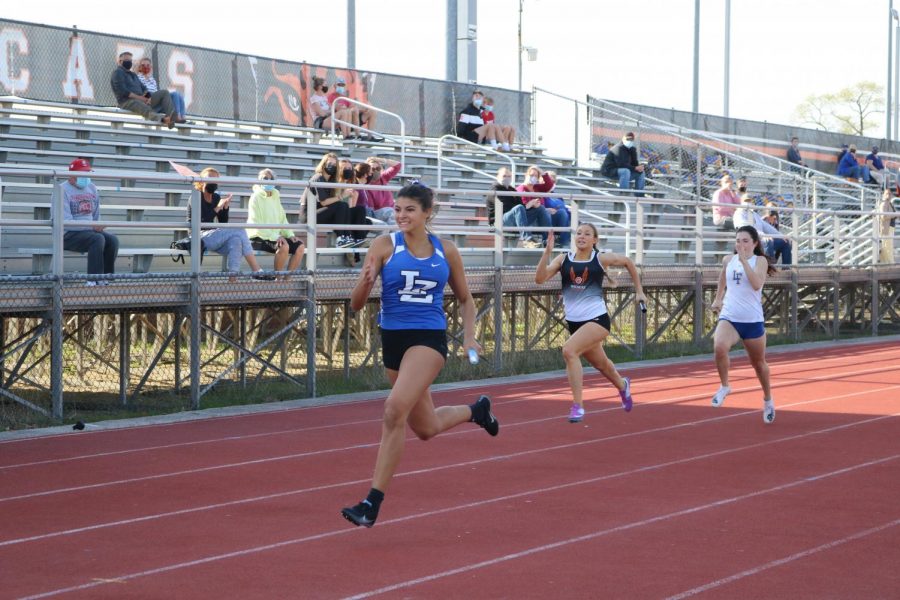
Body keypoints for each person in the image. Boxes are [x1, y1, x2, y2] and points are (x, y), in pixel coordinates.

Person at [340, 182, 499, 528]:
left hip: (428, 338)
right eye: (397, 209)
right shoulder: (383, 245)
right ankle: (477, 411)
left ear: (428, 213)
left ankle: (372, 503)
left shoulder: (446, 251)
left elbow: (466, 300)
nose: (401, 215)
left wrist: (469, 337)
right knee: (425, 427)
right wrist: (366, 282)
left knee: (393, 409)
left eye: (409, 209)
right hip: (393, 340)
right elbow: (355, 304)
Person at [534, 224, 646, 423]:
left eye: (587, 234)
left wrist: (639, 291)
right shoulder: (563, 259)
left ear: (595, 240)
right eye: (578, 233)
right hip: (575, 324)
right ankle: (622, 385)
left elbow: (628, 261)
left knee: (569, 351)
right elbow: (540, 279)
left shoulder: (600, 259)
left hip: (597, 320)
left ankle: (578, 406)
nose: (582, 236)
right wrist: (547, 253)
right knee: (603, 365)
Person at [709, 225, 778, 424]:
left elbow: (757, 284)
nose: (741, 245)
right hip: (730, 316)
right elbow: (724, 275)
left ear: (755, 243)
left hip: (752, 320)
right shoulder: (728, 260)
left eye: (745, 241)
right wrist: (718, 298)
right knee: (719, 347)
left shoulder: (761, 261)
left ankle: (768, 399)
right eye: (738, 241)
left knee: (758, 364)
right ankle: (725, 386)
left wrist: (744, 262)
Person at [191, 167, 269, 278]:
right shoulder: (196, 196)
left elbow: (223, 222)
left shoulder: (216, 197)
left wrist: (225, 207)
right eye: (210, 178)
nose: (213, 181)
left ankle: (232, 279)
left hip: (214, 237)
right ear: (202, 180)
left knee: (236, 240)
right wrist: (218, 207)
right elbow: (202, 221)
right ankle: (257, 270)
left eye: (216, 179)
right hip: (198, 238)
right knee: (240, 230)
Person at [61, 158, 119, 281]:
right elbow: (65, 223)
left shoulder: (92, 187)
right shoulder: (62, 190)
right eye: (82, 173)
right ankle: (93, 280)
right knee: (97, 238)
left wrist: (98, 225)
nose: (86, 176)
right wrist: (91, 226)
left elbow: (96, 215)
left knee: (113, 240)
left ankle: (106, 279)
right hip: (68, 235)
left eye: (87, 173)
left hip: (89, 231)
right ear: (71, 175)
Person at [247, 168, 305, 277]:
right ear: (259, 181)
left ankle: (287, 278)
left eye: (271, 178)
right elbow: (256, 224)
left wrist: (290, 235)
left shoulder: (275, 197)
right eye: (265, 178)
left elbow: (282, 219)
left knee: (300, 246)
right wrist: (276, 236)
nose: (268, 180)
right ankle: (277, 278)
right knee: (284, 246)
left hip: (274, 236)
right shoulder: (255, 197)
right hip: (258, 237)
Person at [308, 153, 363, 249]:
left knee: (359, 209)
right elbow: (323, 202)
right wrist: (342, 196)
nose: (332, 167)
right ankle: (340, 239)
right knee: (341, 205)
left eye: (334, 165)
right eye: (329, 164)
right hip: (311, 215)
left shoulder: (330, 180)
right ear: (323, 164)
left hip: (325, 212)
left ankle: (349, 237)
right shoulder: (318, 178)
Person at [110, 52, 176, 128]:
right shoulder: (117, 73)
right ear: (120, 61)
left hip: (141, 99)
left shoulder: (133, 74)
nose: (129, 62)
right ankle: (162, 120)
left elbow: (144, 88)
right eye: (126, 60)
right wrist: (142, 98)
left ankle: (170, 117)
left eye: (130, 60)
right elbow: (123, 92)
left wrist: (149, 97)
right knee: (140, 105)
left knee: (164, 93)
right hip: (126, 101)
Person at [734, 194, 792, 266]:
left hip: (761, 239)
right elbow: (746, 229)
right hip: (749, 241)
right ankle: (769, 268)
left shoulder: (754, 214)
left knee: (785, 242)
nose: (748, 202)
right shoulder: (738, 214)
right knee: (768, 241)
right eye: (746, 200)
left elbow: (767, 227)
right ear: (741, 201)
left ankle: (786, 269)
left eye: (750, 200)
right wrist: (763, 235)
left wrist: (781, 236)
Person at [135, 57, 187, 122]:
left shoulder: (152, 80)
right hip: (148, 103)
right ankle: (177, 117)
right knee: (172, 94)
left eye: (148, 65)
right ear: (140, 67)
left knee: (178, 95)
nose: (145, 67)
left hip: (157, 103)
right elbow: (139, 92)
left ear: (151, 67)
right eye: (143, 65)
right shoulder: (137, 78)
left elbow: (156, 93)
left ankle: (182, 117)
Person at [487, 166, 528, 241]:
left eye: (509, 176)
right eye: (504, 176)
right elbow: (505, 206)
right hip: (498, 221)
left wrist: (516, 198)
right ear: (498, 177)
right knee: (519, 208)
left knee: (540, 209)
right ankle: (527, 239)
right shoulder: (494, 189)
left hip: (512, 219)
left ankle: (547, 241)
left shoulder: (511, 189)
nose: (507, 178)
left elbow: (522, 206)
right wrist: (516, 200)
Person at [516, 166, 553, 247]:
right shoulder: (521, 188)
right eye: (531, 175)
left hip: (540, 216)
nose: (533, 177)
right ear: (526, 175)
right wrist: (532, 203)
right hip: (527, 218)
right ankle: (548, 240)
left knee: (560, 213)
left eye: (536, 176)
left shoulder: (536, 187)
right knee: (542, 209)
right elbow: (521, 208)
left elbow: (549, 185)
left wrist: (541, 171)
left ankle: (554, 241)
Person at [600, 132, 646, 196]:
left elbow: (634, 163)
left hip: (623, 173)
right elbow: (621, 164)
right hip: (609, 171)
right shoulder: (617, 148)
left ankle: (639, 196)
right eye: (628, 139)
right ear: (623, 139)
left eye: (631, 140)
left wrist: (639, 167)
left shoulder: (632, 149)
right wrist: (635, 168)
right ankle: (624, 194)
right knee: (625, 171)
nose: (630, 141)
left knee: (641, 173)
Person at [365, 156, 402, 224]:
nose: (376, 170)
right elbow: (371, 211)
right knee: (390, 213)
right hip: (376, 214)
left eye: (378, 168)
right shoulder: (366, 184)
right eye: (373, 169)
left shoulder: (383, 177)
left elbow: (398, 165)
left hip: (392, 213)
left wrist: (378, 159)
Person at [543, 171, 571, 247]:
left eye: (554, 181)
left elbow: (564, 210)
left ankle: (565, 242)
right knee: (561, 212)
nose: (552, 183)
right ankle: (564, 242)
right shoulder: (540, 193)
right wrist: (547, 209)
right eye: (550, 181)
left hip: (559, 220)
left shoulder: (557, 196)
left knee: (567, 213)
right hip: (545, 219)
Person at [876, 188, 896, 264]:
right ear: (883, 195)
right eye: (887, 193)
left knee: (888, 246)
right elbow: (883, 216)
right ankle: (890, 262)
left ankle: (886, 262)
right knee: (887, 246)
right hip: (886, 228)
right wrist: (893, 215)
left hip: (891, 227)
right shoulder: (884, 203)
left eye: (890, 194)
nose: (888, 195)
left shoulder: (890, 203)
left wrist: (895, 215)